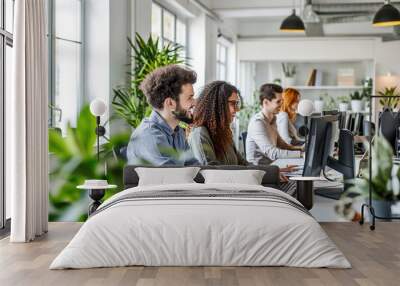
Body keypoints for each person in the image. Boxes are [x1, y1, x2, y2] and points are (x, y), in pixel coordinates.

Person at [127, 64, 199, 166]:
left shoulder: (178, 132)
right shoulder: (150, 135)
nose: (195, 103)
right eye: (190, 98)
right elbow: (171, 177)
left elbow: (194, 166)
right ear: (170, 103)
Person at [188, 81, 248, 165]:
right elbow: (211, 172)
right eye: (233, 103)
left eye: (237, 103)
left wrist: (269, 171)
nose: (237, 109)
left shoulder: (223, 133)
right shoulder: (200, 134)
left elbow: (243, 164)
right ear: (218, 105)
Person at [246, 83, 303, 166]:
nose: (282, 104)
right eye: (278, 101)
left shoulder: (273, 119)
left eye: (282, 101)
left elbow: (282, 145)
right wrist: (300, 154)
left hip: (272, 165)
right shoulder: (257, 123)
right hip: (259, 170)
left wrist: (301, 149)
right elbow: (272, 153)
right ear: (265, 102)